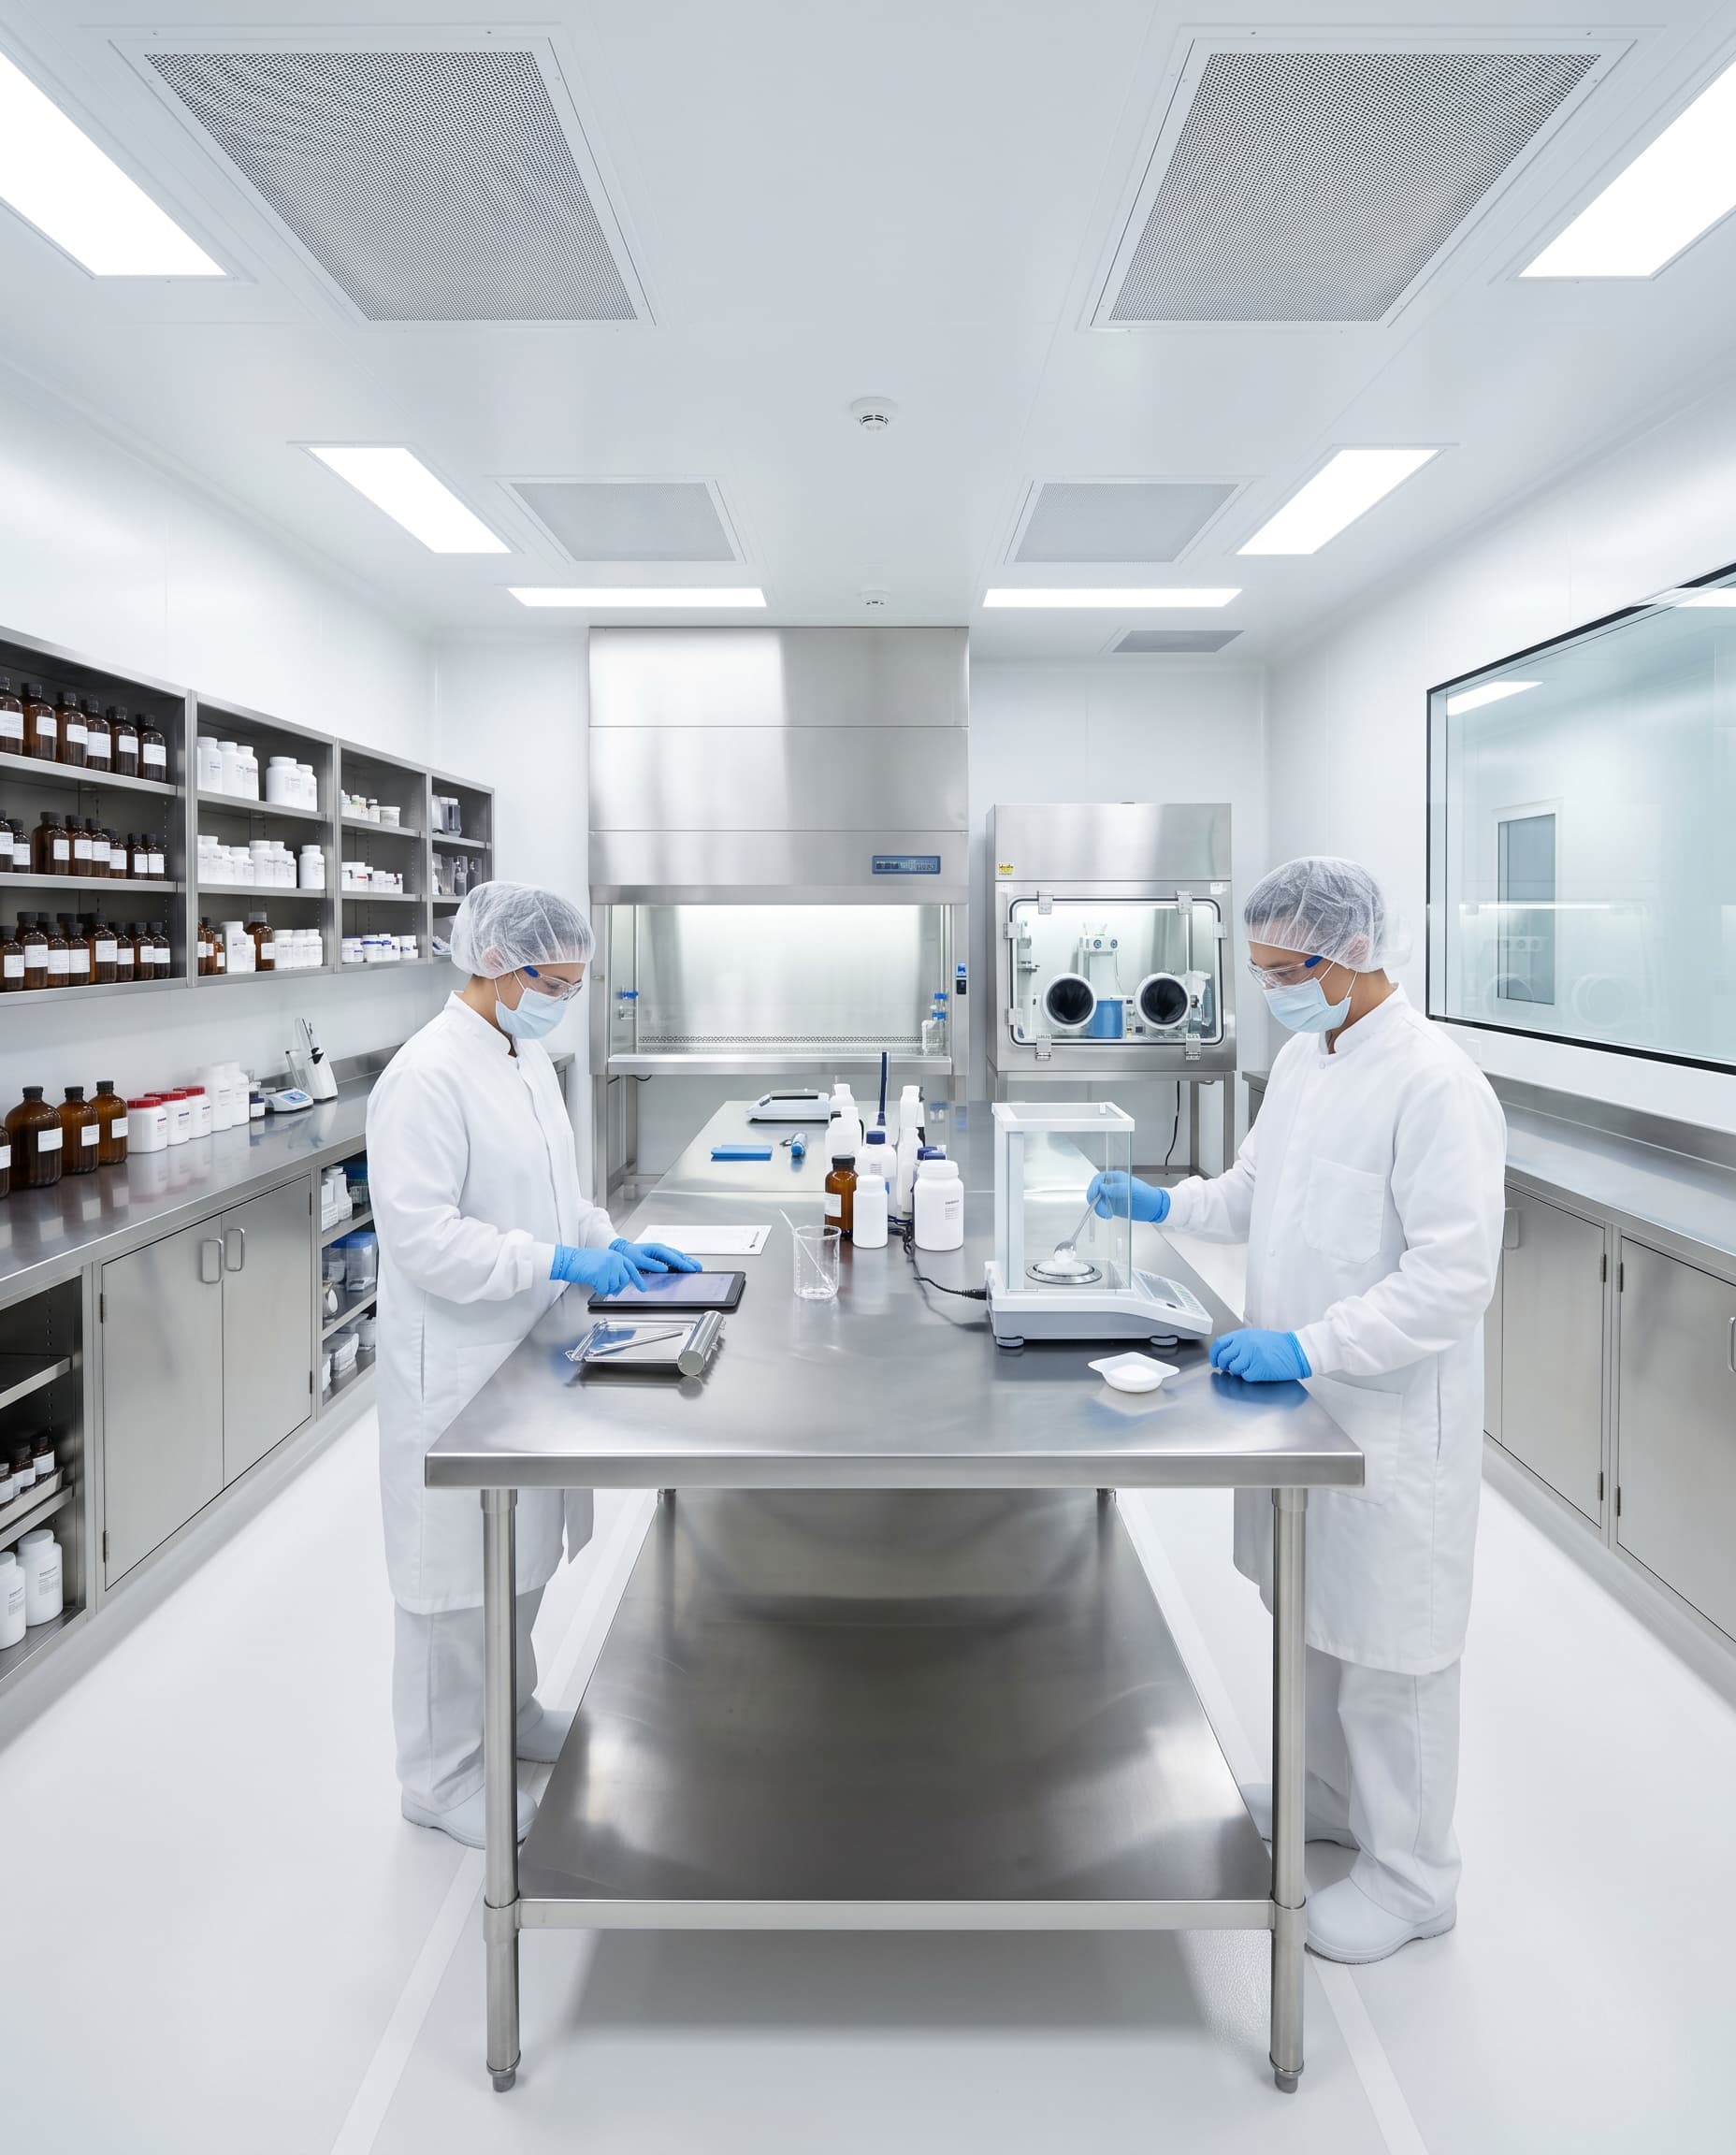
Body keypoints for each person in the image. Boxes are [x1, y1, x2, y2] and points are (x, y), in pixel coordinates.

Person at [1088, 856, 1505, 1963]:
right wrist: (1159, 1200)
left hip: (1383, 1414)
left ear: (1351, 953)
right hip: (1301, 1404)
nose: (1273, 984)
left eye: (1287, 967)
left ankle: (1415, 1879)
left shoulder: (1433, 1084)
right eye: (1262, 967)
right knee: (1311, 1620)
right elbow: (1251, 1193)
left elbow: (1451, 1279)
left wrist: (1310, 1345)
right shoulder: (1305, 1058)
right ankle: (1327, 1802)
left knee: (1388, 1653)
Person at [368, 881, 699, 1848]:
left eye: (574, 982)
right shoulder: (426, 1076)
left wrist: (607, 1239)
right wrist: (557, 1262)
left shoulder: (526, 1054)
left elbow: (559, 1192)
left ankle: (507, 1721)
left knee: (516, 1555)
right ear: (497, 968)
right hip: (458, 1362)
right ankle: (437, 1778)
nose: (565, 996)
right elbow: (426, 1239)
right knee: (449, 1581)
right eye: (554, 980)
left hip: (530, 1346)